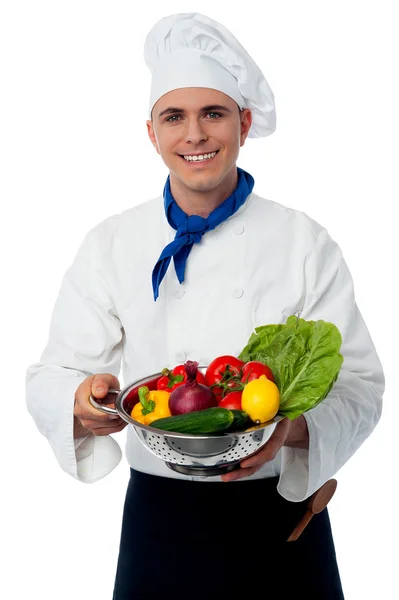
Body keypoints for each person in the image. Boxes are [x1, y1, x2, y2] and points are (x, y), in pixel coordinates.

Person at [26, 12, 384, 599]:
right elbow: (53, 371)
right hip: (159, 523)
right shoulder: (112, 243)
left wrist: (292, 428)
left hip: (280, 516)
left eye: (213, 113)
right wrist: (80, 401)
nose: (195, 135)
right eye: (175, 117)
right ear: (151, 132)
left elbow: (361, 388)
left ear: (243, 123)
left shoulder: (303, 242)